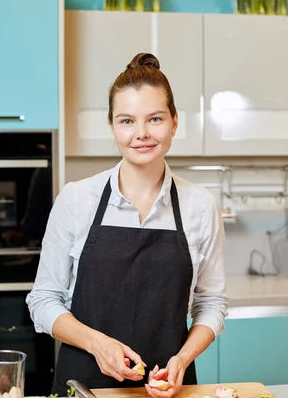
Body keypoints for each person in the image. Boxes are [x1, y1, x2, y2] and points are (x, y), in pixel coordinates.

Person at [26, 52, 228, 398]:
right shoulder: (76, 200)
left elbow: (210, 304)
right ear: (112, 126)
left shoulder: (200, 206)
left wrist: (183, 358)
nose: (142, 133)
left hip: (168, 390)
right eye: (127, 121)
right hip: (83, 388)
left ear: (175, 122)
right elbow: (44, 300)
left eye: (155, 119)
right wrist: (98, 344)